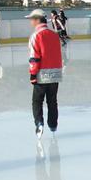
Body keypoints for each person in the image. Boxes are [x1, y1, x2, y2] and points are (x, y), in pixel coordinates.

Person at [27, 9, 64, 139]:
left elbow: (34, 58)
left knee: (37, 101)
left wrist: (32, 75)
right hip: (55, 73)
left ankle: (39, 123)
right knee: (52, 101)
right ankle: (53, 125)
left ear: (37, 20)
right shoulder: (54, 35)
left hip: (41, 74)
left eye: (31, 19)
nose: (30, 21)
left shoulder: (36, 36)